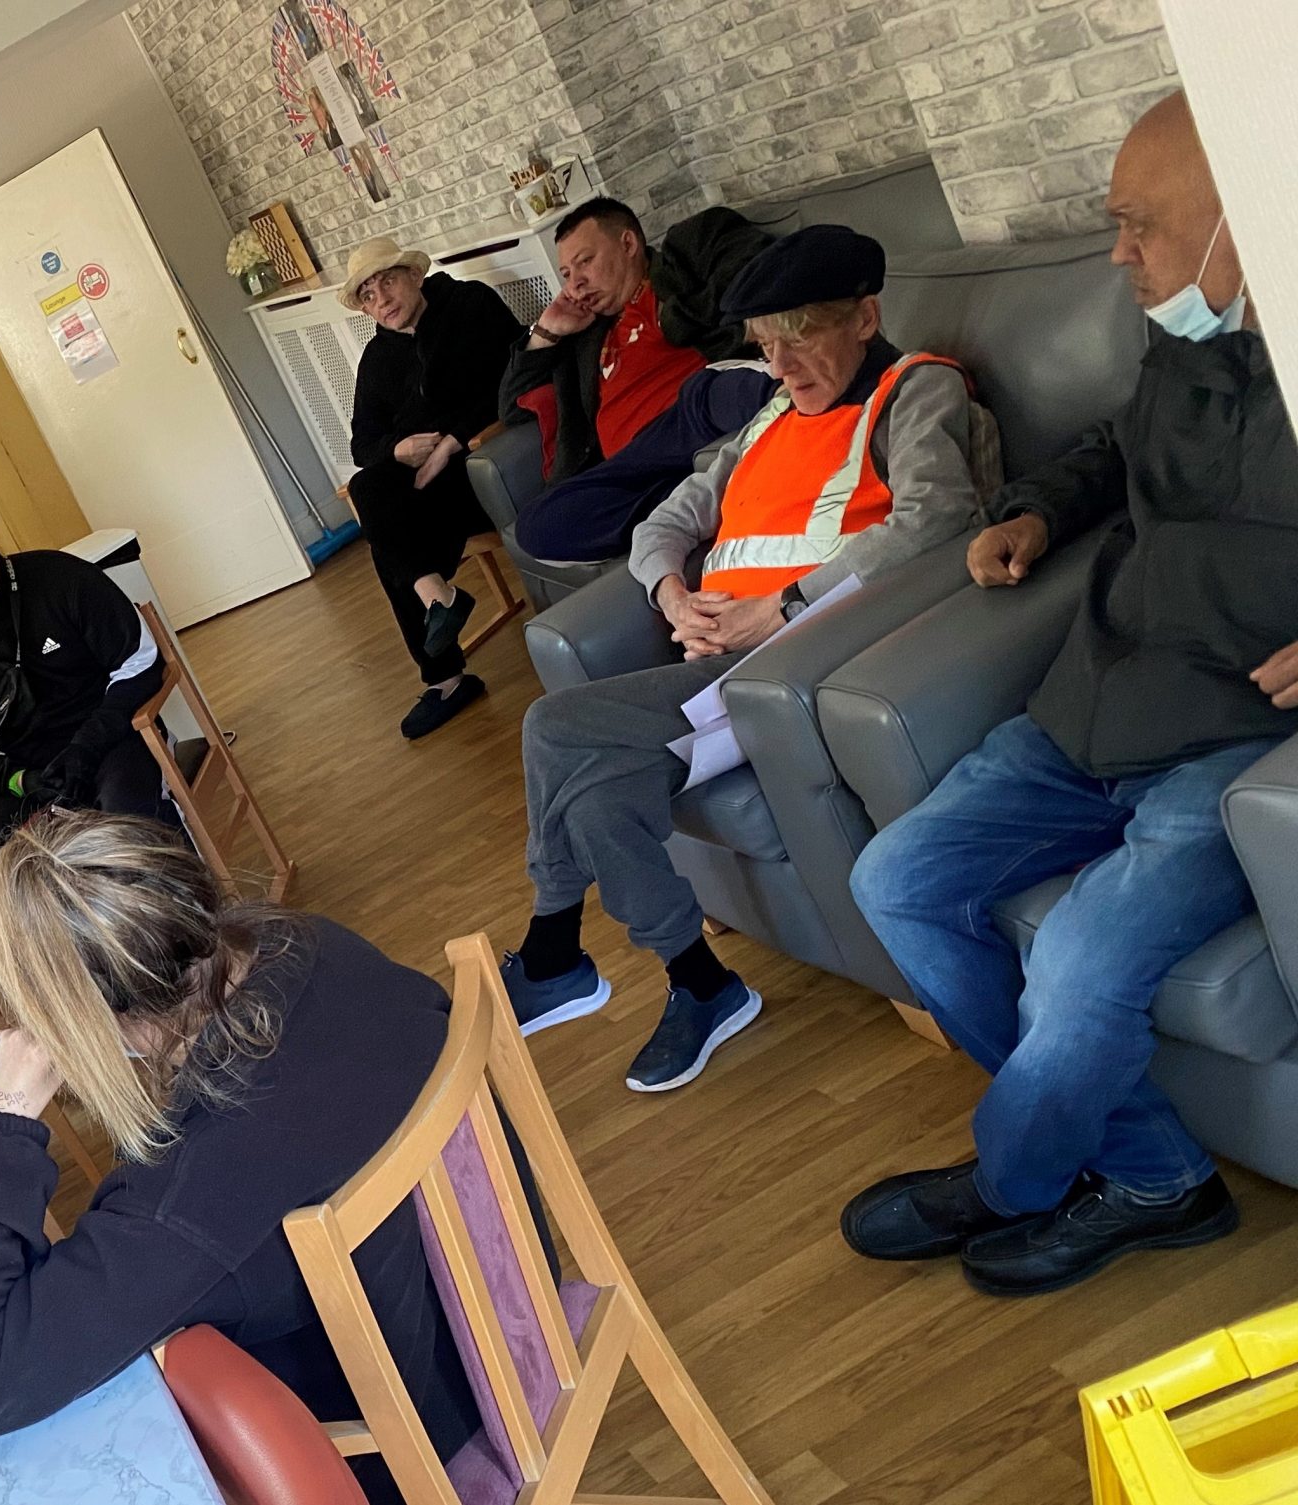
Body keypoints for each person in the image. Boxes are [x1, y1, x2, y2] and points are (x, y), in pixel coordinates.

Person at [841, 90, 1296, 1297]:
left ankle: (1014, 1175)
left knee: (1081, 961)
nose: (1118, 254)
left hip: (1237, 735)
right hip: (1096, 695)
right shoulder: (1186, 335)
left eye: (1139, 225)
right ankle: (1151, 1174)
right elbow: (1114, 441)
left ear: (1242, 216)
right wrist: (1037, 508)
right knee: (896, 879)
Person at [503, 224, 991, 1093]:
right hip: (718, 659)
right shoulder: (769, 415)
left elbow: (937, 518)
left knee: (554, 725)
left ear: (865, 316)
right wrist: (672, 596)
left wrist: (780, 608)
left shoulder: (914, 391)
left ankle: (554, 948)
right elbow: (668, 519)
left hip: (800, 664)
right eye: (767, 345)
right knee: (600, 789)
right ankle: (698, 982)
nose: (783, 366)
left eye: (800, 338)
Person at [0, 811, 494, 1503]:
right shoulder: (309, 943)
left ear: (79, 1021)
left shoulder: (184, 1200)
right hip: (487, 1326)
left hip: (403, 1448)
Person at [501, 198, 779, 564]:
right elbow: (512, 410)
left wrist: (675, 320)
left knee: (714, 390)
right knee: (536, 526)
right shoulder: (585, 333)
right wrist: (546, 330)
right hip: (634, 469)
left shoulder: (683, 259)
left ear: (628, 244)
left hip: (693, 413)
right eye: (566, 273)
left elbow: (754, 263)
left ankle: (702, 494)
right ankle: (688, 502)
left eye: (585, 261)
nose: (576, 282)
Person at [0, 490, 167, 869]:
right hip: (28, 778)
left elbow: (140, 661)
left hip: (110, 743)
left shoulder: (61, 578)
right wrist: (21, 781)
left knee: (129, 830)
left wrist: (86, 748)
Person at [340, 236, 523, 737]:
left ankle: (446, 679)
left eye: (388, 282)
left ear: (415, 275)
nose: (382, 299)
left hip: (481, 464)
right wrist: (397, 450)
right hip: (423, 488)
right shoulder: (377, 358)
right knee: (370, 490)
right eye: (368, 295)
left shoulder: (470, 305)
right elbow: (363, 444)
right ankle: (437, 596)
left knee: (390, 544)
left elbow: (514, 379)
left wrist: (452, 442)